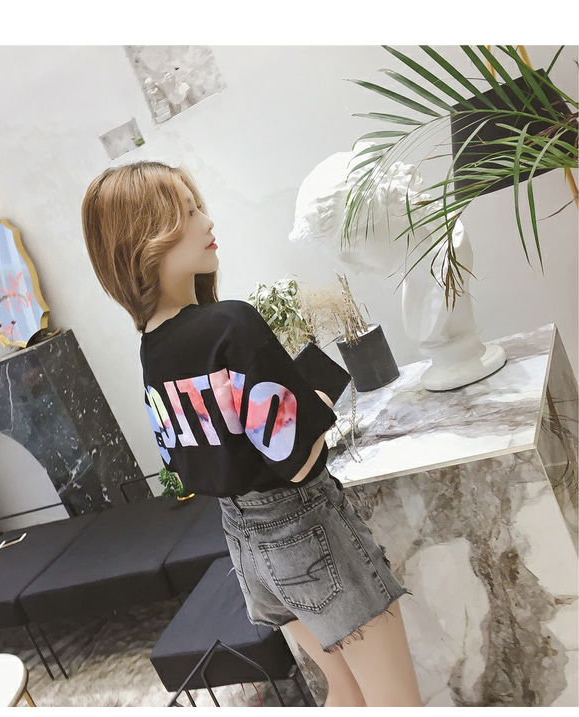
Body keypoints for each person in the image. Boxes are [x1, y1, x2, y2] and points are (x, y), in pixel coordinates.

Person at [81, 160, 423, 707]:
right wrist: (317, 400)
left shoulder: (152, 349)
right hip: (307, 532)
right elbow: (299, 459)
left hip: (246, 546)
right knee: (395, 702)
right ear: (147, 239)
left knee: (346, 690)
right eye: (187, 212)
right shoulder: (230, 324)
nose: (206, 221)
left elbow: (181, 459)